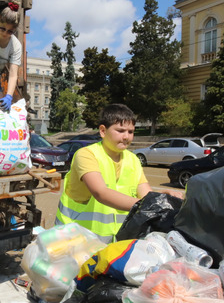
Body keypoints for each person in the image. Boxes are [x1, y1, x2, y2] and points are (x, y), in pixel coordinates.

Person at [55, 104, 153, 243]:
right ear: (102, 131)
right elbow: (101, 193)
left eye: (131, 132)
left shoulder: (133, 160)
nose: (126, 136)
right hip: (76, 242)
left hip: (112, 246)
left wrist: (161, 198)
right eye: (120, 130)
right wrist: (147, 205)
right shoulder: (86, 155)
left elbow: (146, 195)